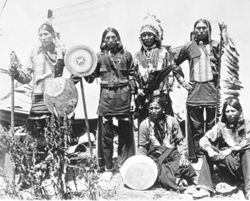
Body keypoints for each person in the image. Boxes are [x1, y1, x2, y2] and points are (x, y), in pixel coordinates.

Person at [9, 23, 65, 189]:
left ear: (53, 35)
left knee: (55, 135)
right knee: (33, 137)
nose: (43, 38)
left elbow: (71, 68)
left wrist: (69, 85)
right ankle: (31, 173)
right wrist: (17, 74)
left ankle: (55, 174)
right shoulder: (34, 52)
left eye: (46, 34)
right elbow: (27, 77)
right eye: (40, 35)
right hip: (38, 98)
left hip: (55, 97)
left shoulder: (60, 50)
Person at [83, 27, 136, 180]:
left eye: (113, 37)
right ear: (103, 40)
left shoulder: (127, 55)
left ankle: (125, 164)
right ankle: (107, 167)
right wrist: (84, 68)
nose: (111, 40)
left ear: (118, 38)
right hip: (106, 97)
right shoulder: (98, 57)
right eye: (108, 38)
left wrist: (132, 98)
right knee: (106, 134)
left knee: (125, 132)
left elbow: (132, 76)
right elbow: (90, 77)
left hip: (124, 95)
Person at [174, 19, 221, 161]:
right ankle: (197, 156)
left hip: (212, 90)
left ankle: (211, 156)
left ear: (208, 29)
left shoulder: (215, 45)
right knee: (196, 126)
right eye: (198, 28)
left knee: (213, 125)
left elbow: (224, 62)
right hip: (195, 90)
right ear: (194, 30)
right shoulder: (189, 46)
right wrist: (181, 80)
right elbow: (173, 62)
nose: (201, 31)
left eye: (203, 28)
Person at [134, 14, 188, 125]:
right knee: (146, 126)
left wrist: (182, 82)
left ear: (156, 36)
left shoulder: (163, 52)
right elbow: (133, 75)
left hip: (161, 95)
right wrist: (137, 90)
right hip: (144, 97)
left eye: (150, 35)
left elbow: (172, 68)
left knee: (165, 125)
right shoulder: (137, 55)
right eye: (144, 35)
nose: (147, 38)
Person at [192, 97, 250, 199]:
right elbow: (204, 139)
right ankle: (205, 188)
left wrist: (232, 149)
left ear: (239, 111)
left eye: (233, 111)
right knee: (208, 151)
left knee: (247, 152)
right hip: (230, 162)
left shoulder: (247, 124)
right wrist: (209, 149)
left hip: (245, 164)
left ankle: (249, 189)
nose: (230, 114)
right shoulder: (221, 126)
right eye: (227, 111)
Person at [138, 97, 196, 191]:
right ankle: (178, 181)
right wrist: (143, 164)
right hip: (156, 157)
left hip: (172, 153)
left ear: (163, 108)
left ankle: (175, 177)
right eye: (151, 108)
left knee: (184, 165)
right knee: (161, 170)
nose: (154, 111)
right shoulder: (144, 125)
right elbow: (142, 147)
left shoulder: (172, 121)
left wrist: (183, 156)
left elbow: (180, 141)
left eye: (157, 108)